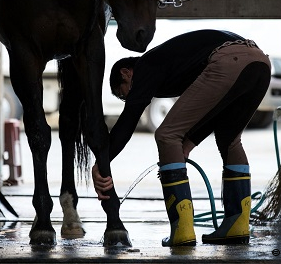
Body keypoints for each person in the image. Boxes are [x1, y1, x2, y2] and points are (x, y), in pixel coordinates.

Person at [92, 29, 271, 247]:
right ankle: (236, 226)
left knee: (166, 135)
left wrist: (102, 162)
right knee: (229, 138)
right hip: (260, 62)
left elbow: (128, 121)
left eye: (123, 93)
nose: (127, 98)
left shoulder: (146, 66)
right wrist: (188, 145)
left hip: (228, 59)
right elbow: (212, 113)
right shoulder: (178, 66)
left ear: (127, 73)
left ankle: (182, 231)